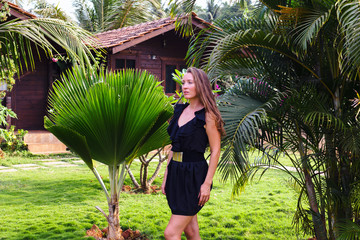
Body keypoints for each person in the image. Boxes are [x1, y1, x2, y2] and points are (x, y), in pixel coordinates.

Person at [161, 67, 225, 240]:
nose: (185, 86)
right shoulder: (179, 110)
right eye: (183, 83)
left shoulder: (208, 115)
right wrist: (166, 176)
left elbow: (215, 150)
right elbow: (174, 147)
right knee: (191, 231)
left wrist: (207, 183)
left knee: (171, 233)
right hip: (176, 173)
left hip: (194, 176)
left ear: (201, 86)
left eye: (190, 82)